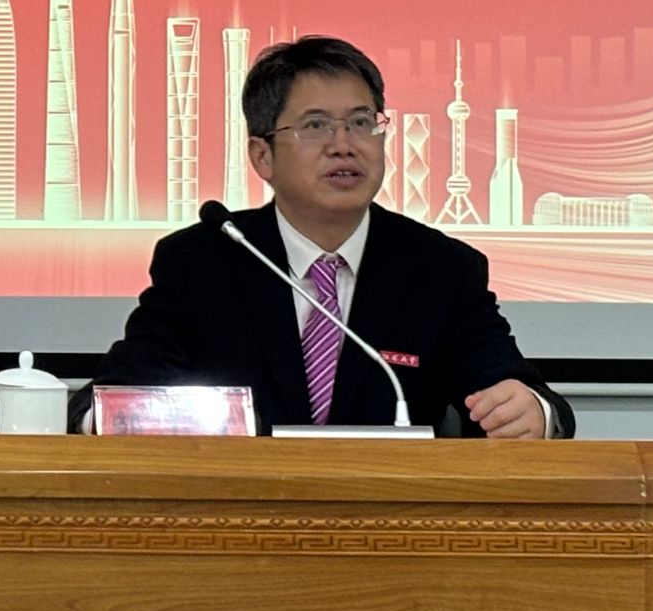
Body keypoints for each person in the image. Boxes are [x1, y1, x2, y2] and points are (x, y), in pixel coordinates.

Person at [71, 35, 573, 438]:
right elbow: (105, 403)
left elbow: (528, 397)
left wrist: (531, 411)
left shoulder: (439, 269)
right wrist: (117, 419)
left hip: (394, 519)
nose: (343, 145)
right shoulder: (203, 262)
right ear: (262, 156)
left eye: (361, 123)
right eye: (315, 126)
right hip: (238, 516)